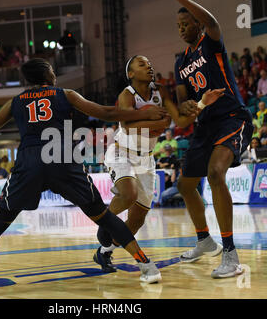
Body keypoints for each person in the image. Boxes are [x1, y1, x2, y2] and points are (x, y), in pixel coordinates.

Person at [0, 58, 168, 295]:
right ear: (47, 75)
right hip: (62, 158)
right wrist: (142, 115)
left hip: (29, 162)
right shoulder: (66, 94)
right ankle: (147, 266)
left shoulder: (15, 102)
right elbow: (106, 112)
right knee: (104, 217)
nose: (54, 74)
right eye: (52, 70)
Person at [93, 54, 224, 273]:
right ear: (131, 74)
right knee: (129, 194)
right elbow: (126, 126)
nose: (149, 66)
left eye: (150, 63)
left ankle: (104, 252)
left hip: (146, 158)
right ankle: (105, 223)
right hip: (121, 152)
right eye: (142, 64)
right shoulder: (127, 95)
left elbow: (180, 121)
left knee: (137, 220)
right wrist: (157, 119)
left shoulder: (160, 91)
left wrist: (202, 103)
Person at [173, 0, 253, 278]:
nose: (182, 29)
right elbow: (184, 102)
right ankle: (205, 240)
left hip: (232, 117)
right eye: (179, 26)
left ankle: (231, 254)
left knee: (215, 173)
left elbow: (212, 22)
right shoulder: (180, 61)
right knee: (184, 185)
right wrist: (189, 106)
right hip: (205, 124)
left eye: (186, 23)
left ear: (196, 24)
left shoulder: (210, 42)